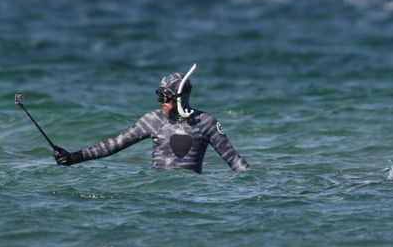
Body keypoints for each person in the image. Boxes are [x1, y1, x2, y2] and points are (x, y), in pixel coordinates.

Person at [53, 68, 250, 173]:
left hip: (191, 194)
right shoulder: (152, 120)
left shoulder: (205, 122)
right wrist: (74, 157)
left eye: (166, 96)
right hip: (156, 190)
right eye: (159, 96)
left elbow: (234, 160)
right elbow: (114, 144)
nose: (161, 101)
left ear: (181, 96)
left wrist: (261, 188)